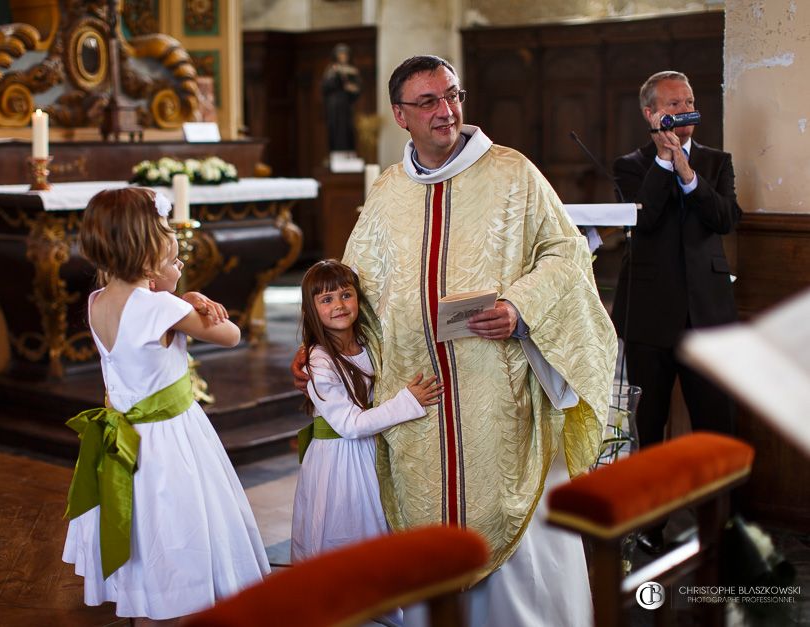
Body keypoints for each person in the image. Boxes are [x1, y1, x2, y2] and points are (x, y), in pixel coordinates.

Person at [294, 55, 616, 626]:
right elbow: (354, 286)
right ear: (401, 115)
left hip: (497, 390)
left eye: (452, 96)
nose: (446, 111)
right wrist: (322, 347)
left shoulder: (513, 173)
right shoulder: (389, 190)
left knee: (507, 507)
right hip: (416, 398)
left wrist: (519, 308)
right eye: (428, 102)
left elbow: (565, 254)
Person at [62, 187, 270, 625]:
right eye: (162, 231)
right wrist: (187, 297)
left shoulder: (97, 301)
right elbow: (231, 335)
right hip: (168, 442)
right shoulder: (158, 305)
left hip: (124, 442)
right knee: (176, 527)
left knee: (142, 529)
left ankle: (142, 605)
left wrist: (176, 297)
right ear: (145, 247)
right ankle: (176, 607)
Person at [612, 71, 741, 554]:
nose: (684, 110)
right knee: (652, 422)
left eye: (689, 100)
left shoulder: (716, 160)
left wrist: (689, 174)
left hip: (709, 312)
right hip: (650, 313)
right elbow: (644, 219)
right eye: (673, 104)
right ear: (651, 113)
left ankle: (722, 522)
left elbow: (725, 218)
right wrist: (665, 165)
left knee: (716, 421)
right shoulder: (631, 166)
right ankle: (652, 523)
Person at [291, 260, 442, 565]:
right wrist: (407, 401)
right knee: (351, 529)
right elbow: (350, 425)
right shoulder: (319, 362)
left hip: (372, 450)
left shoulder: (366, 344)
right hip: (341, 462)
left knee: (382, 523)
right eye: (326, 300)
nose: (339, 305)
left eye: (346, 295)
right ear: (310, 310)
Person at [322, 43, 361, 155]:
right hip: (334, 105)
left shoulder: (352, 70)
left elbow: (358, 88)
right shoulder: (331, 69)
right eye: (341, 54)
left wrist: (353, 89)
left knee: (347, 129)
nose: (343, 57)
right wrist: (336, 78)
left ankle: (349, 152)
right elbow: (325, 87)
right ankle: (336, 153)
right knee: (335, 129)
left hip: (346, 105)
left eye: (345, 54)